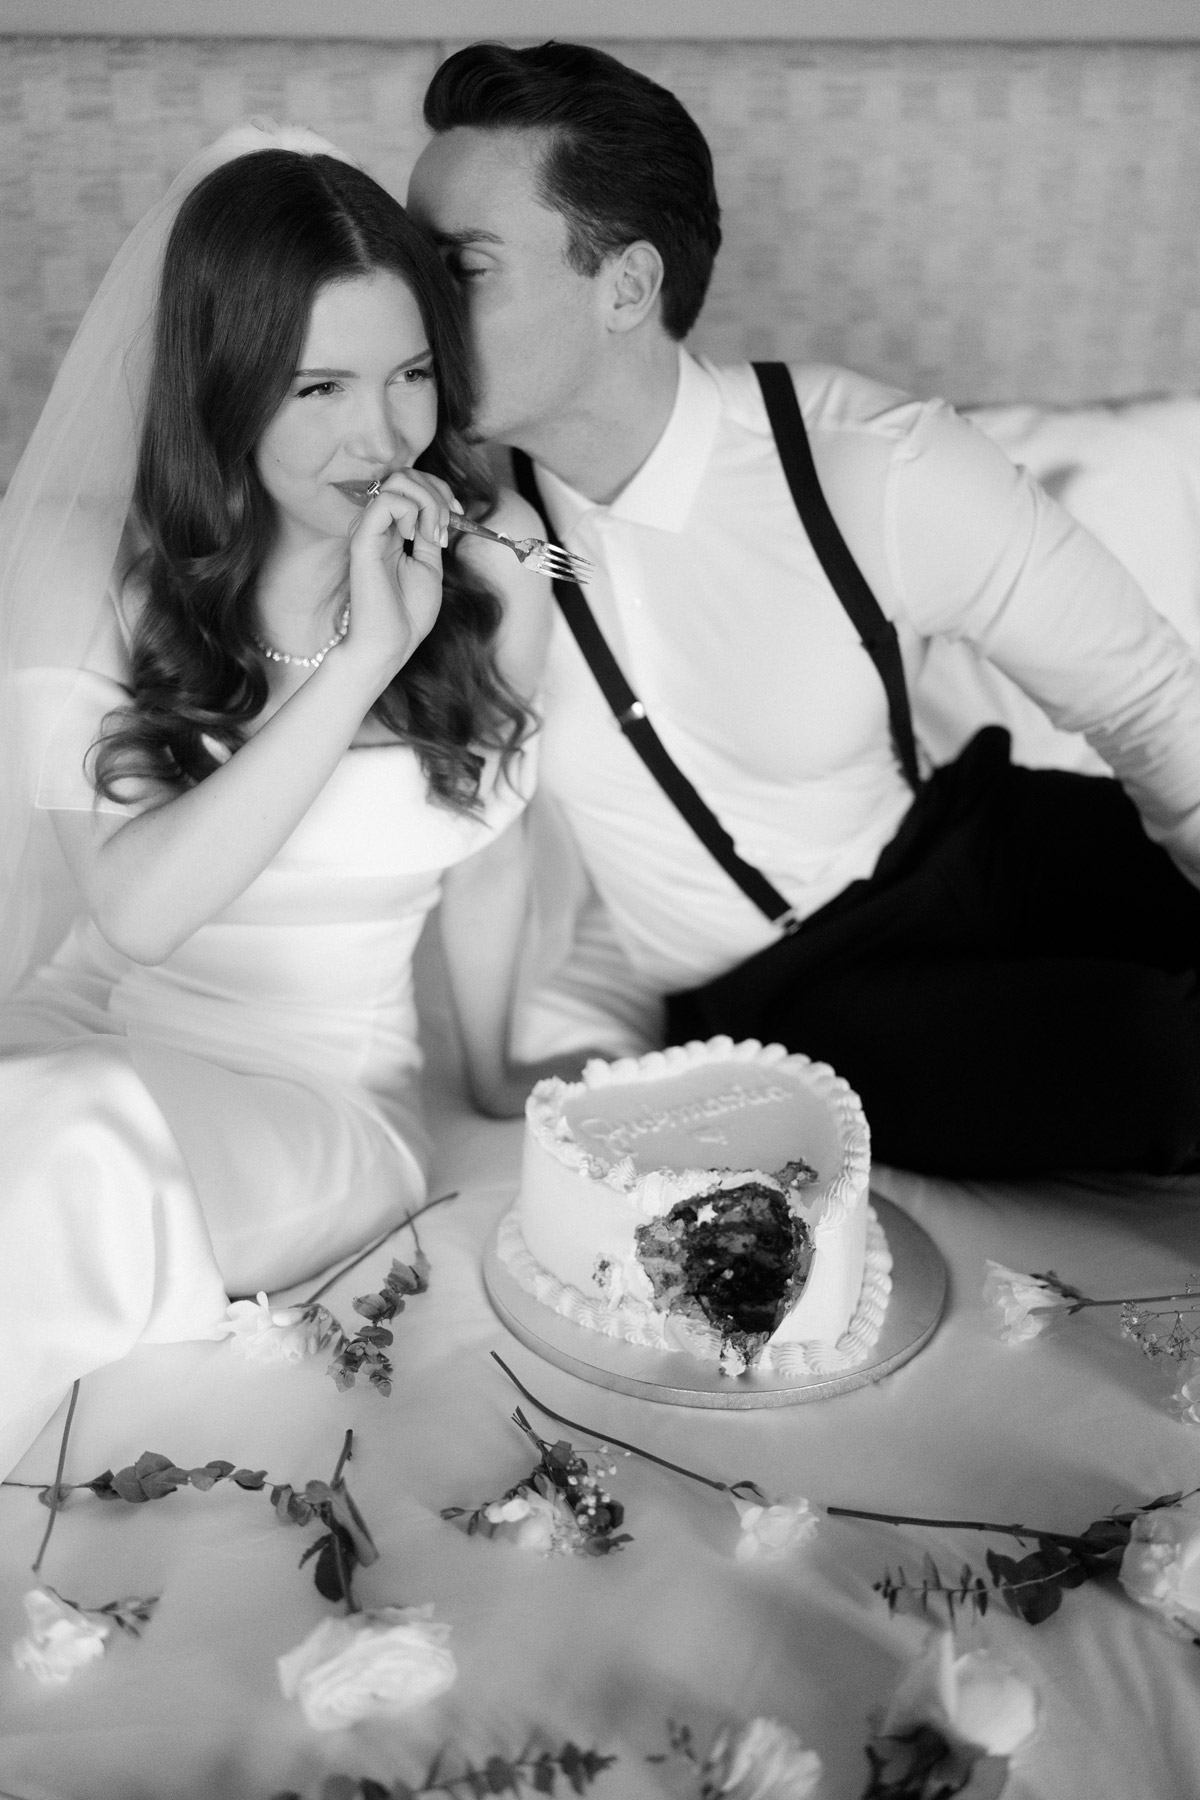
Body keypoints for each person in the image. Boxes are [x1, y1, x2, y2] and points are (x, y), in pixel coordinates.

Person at [407, 41, 1200, 1179]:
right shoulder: (459, 536)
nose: (416, 309)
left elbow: (1149, 698)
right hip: (783, 994)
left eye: (462, 266)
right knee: (1162, 1062)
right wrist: (489, 1072)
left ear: (626, 285)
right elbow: (471, 827)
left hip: (962, 842)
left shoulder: (871, 462)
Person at [0, 124, 552, 1474]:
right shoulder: (101, 582)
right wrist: (356, 656)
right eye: (319, 389)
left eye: (414, 374)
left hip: (322, 1099)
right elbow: (132, 917)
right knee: (50, 1107)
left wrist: (489, 1079)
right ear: (227, 390)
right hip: (87, 1026)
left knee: (69, 1135)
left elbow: (487, 855)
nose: (383, 435)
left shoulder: (497, 584)